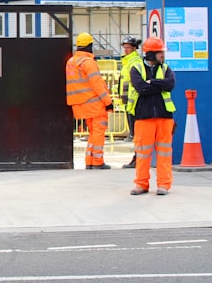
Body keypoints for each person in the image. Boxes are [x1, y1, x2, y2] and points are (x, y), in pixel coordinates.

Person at [129, 37, 176, 196]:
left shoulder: (166, 68)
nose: (162, 55)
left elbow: (170, 85)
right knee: (142, 153)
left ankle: (164, 185)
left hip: (164, 117)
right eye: (160, 52)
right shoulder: (136, 68)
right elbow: (141, 88)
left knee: (164, 154)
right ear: (150, 54)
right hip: (144, 116)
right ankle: (141, 184)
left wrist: (151, 82)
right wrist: (158, 84)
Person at [66, 32, 114, 169]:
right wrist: (107, 101)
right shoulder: (88, 63)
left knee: (93, 132)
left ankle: (90, 161)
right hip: (94, 103)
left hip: (80, 103)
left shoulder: (71, 62)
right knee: (98, 131)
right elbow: (97, 84)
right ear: (90, 46)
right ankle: (97, 161)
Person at [118, 36, 143, 168]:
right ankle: (137, 157)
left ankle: (138, 158)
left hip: (134, 104)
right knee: (135, 133)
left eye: (128, 47)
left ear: (134, 48)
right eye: (125, 47)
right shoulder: (127, 62)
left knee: (137, 133)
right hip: (129, 104)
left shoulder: (134, 62)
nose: (125, 50)